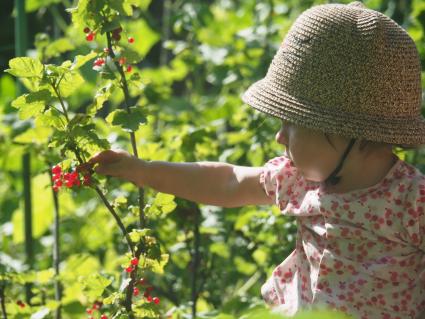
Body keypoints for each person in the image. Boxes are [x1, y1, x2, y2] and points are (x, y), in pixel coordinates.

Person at [78, 1, 425, 318]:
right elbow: (227, 182)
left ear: (354, 132)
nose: (279, 137)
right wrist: (142, 170)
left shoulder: (412, 201)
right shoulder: (300, 181)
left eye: (293, 124)